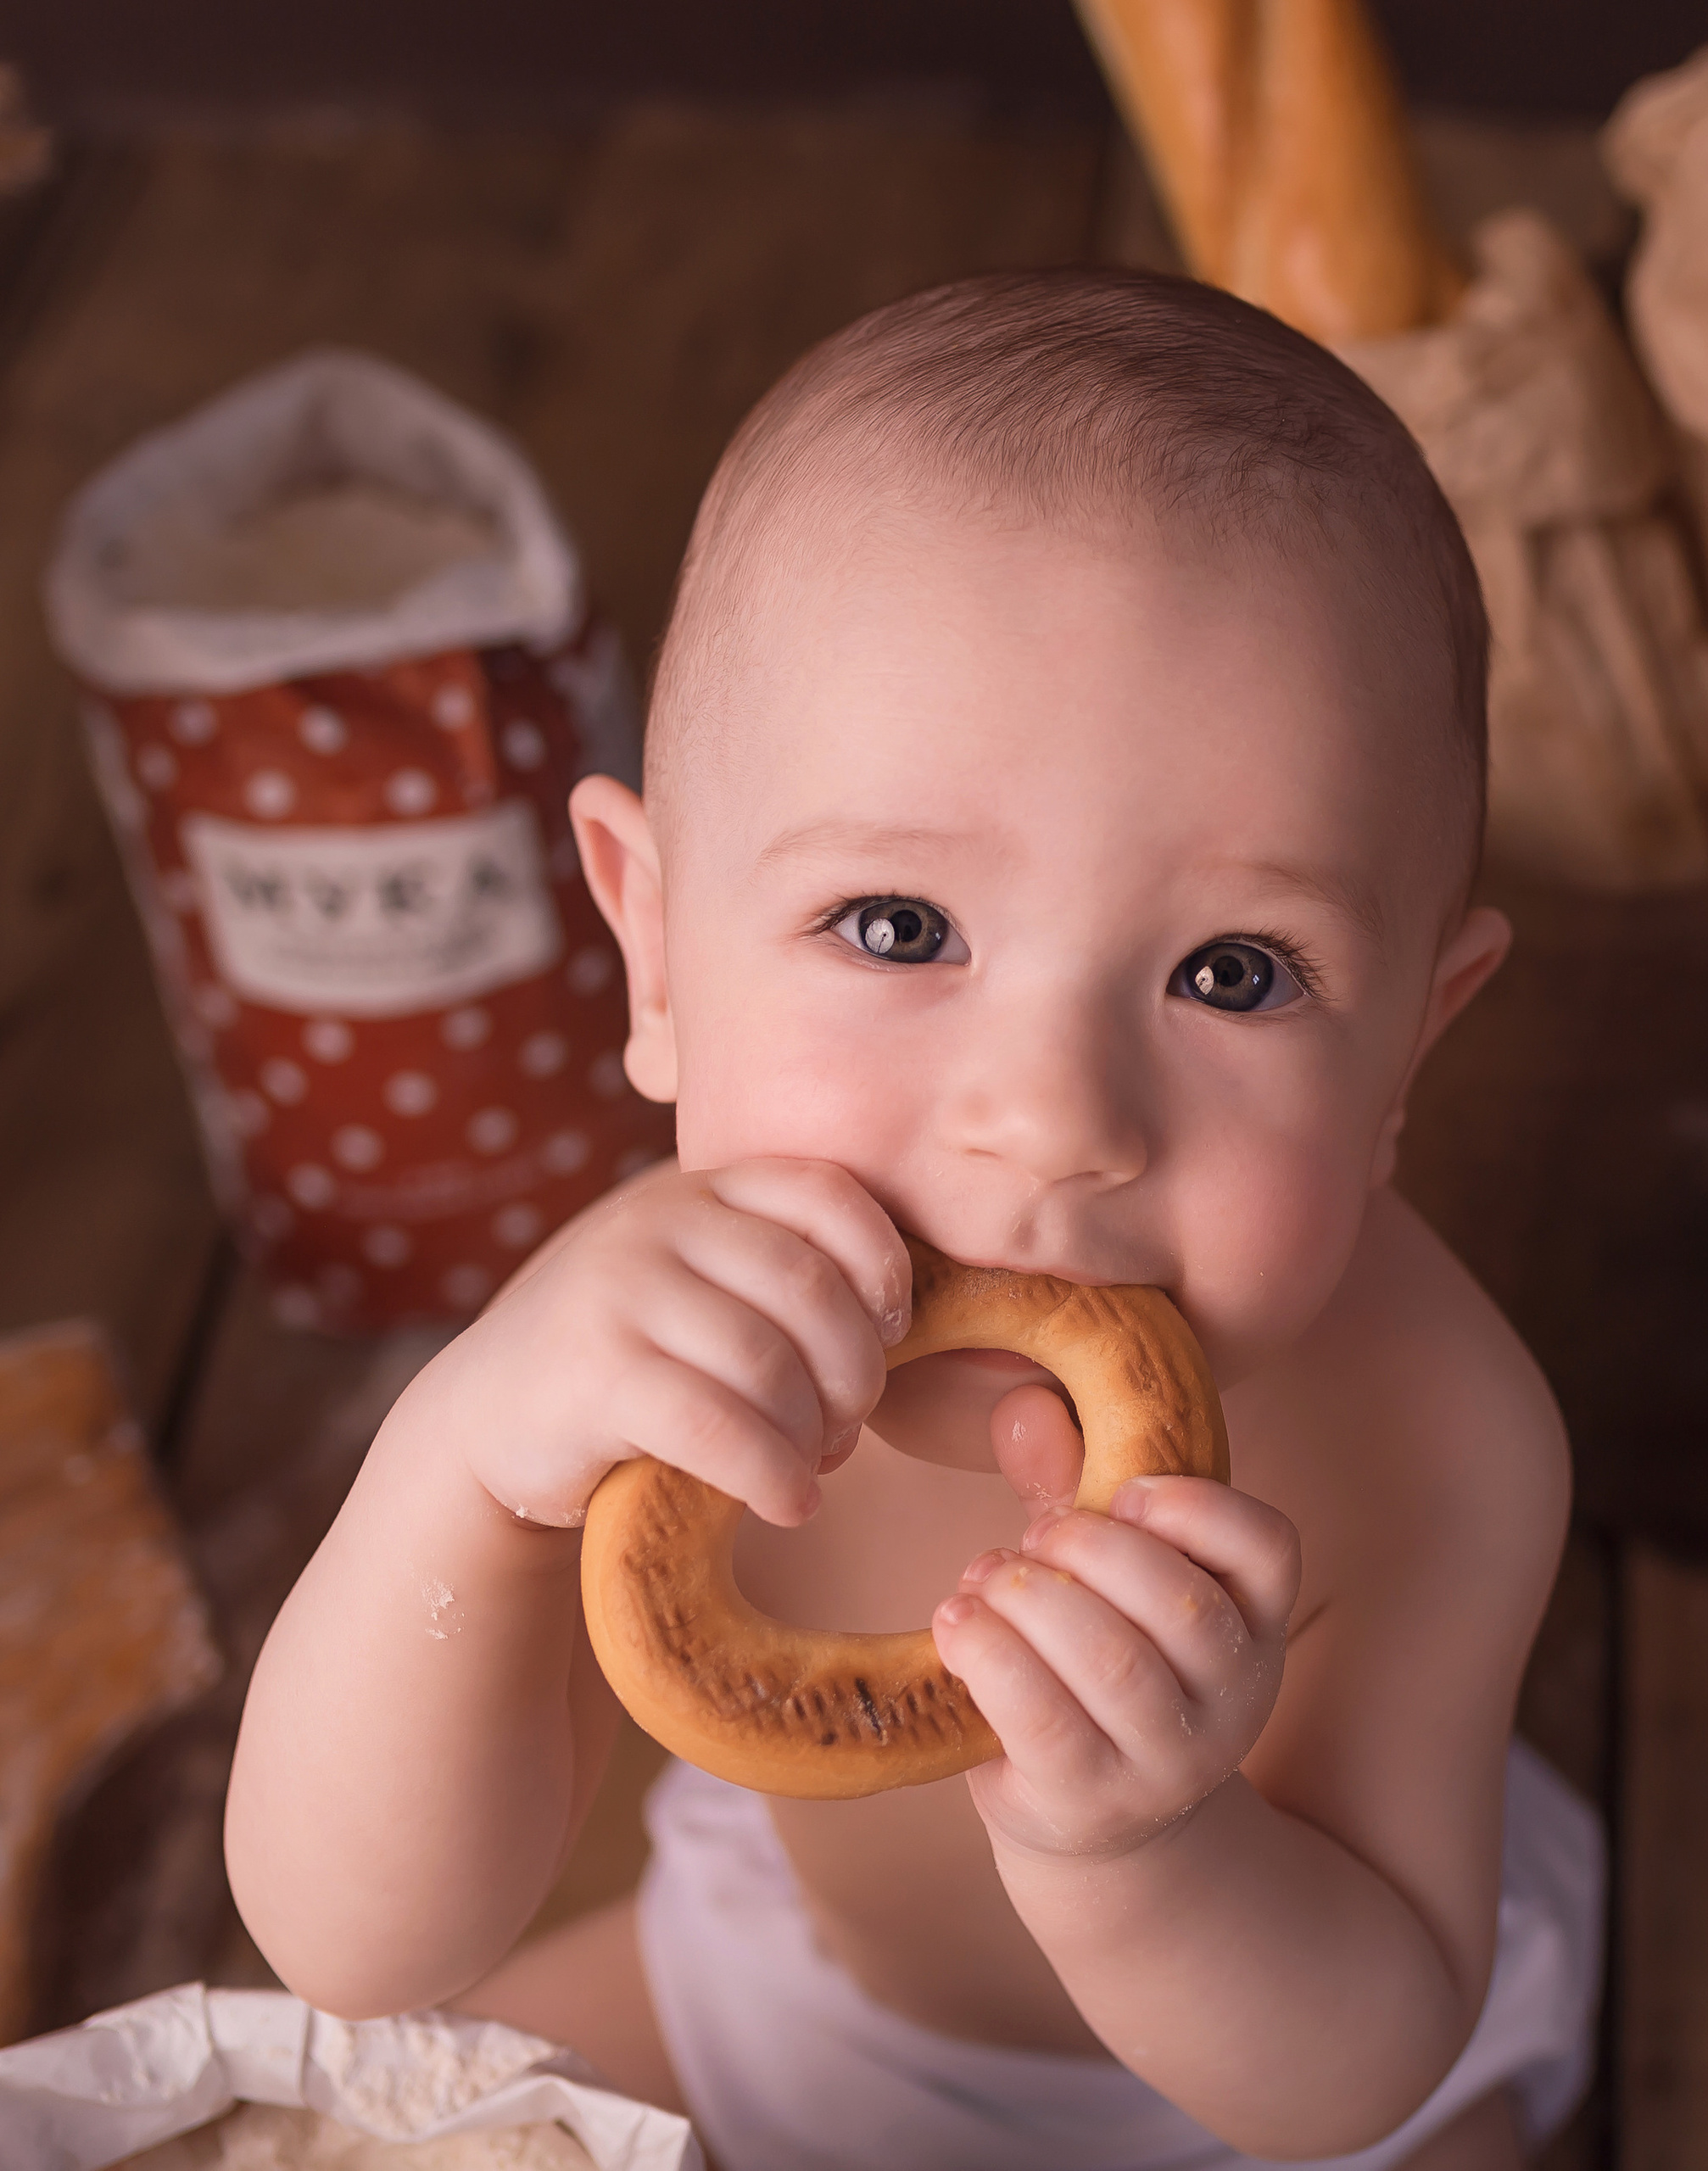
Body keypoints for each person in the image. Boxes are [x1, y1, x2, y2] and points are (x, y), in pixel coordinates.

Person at [226, 268, 1604, 2170]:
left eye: (1232, 972)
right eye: (898, 927)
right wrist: (458, 1466)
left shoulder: (1441, 1437)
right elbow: (357, 1945)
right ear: (656, 950)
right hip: (785, 1987)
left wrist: (1145, 1849)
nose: (1051, 1118)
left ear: (1403, 1058)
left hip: (1270, 2063)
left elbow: (1357, 2060)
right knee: (354, 2124)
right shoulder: (642, 1347)